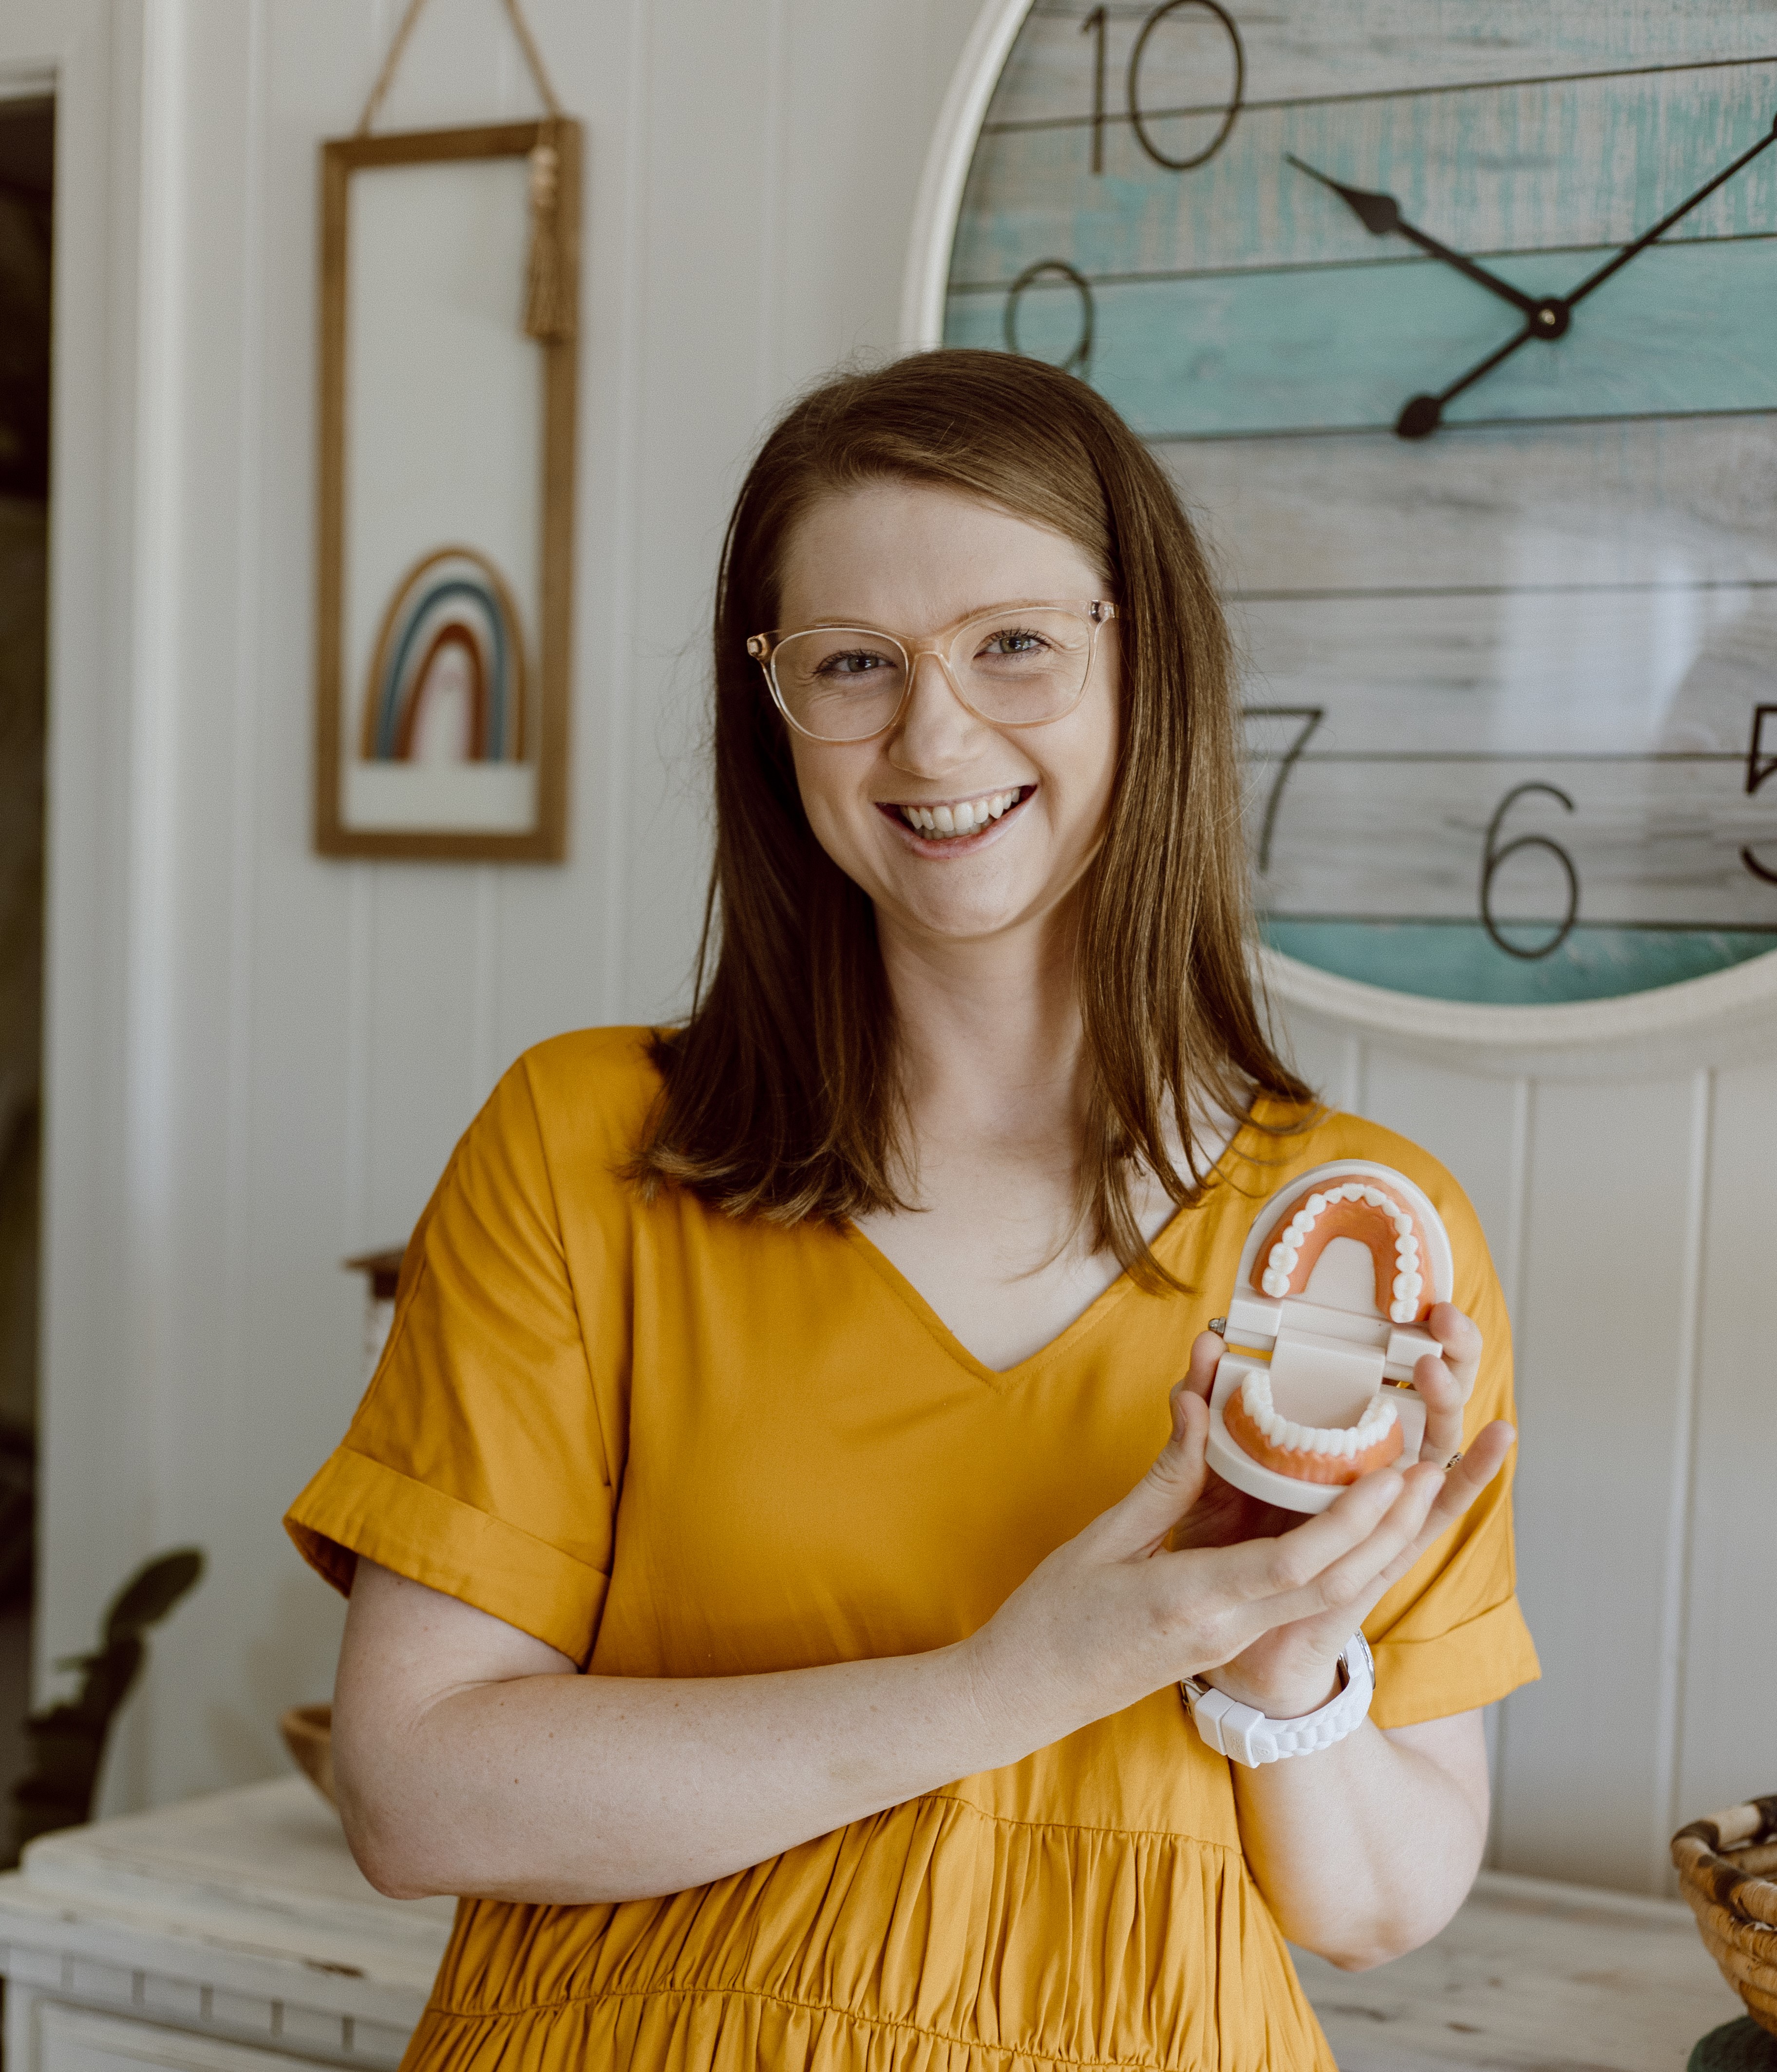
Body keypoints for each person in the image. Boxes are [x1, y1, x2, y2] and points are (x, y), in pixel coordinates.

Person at [286, 348, 1538, 2072]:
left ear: (1143, 660)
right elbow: (413, 1794)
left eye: (1014, 642)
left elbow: (1383, 1903)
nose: (935, 734)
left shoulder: (1348, 1238)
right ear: (774, 707)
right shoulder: (585, 1150)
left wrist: (1282, 1664)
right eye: (853, 664)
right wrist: (1023, 1676)